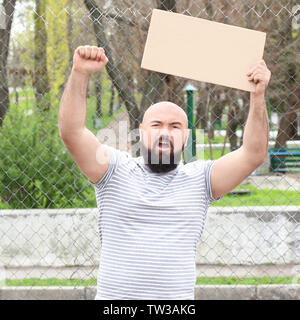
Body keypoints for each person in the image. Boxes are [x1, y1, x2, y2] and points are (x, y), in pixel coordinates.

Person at [58, 45, 271, 300]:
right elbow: (72, 132)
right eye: (156, 125)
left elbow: (253, 154)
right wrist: (80, 73)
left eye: (175, 126)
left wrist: (258, 96)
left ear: (186, 136)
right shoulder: (112, 170)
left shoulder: (201, 181)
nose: (164, 132)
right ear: (141, 131)